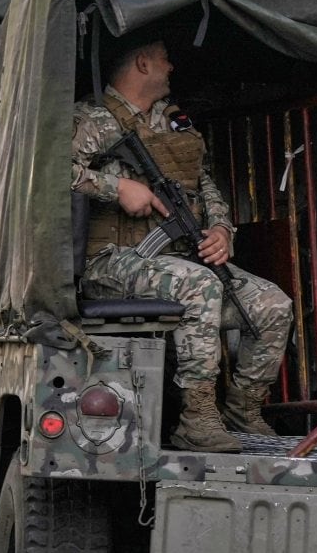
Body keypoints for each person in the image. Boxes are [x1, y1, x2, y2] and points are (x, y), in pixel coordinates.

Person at [74, 38, 294, 452]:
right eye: (164, 57)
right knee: (200, 285)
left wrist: (223, 231)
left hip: (176, 261)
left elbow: (204, 182)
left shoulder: (174, 123)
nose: (171, 67)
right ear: (142, 62)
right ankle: (197, 419)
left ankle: (242, 410)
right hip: (111, 262)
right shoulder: (94, 119)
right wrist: (116, 186)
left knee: (272, 304)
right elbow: (50, 172)